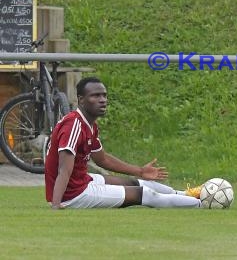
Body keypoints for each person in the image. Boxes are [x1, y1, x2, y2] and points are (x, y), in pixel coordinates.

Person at [45, 77, 203, 209]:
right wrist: (56, 205)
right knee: (145, 195)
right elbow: (63, 170)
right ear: (81, 100)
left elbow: (102, 159)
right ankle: (203, 204)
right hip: (72, 194)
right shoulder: (74, 125)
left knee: (139, 183)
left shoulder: (89, 124)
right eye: (95, 96)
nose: (102, 100)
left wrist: (140, 171)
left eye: (104, 96)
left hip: (82, 182)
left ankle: (189, 195)